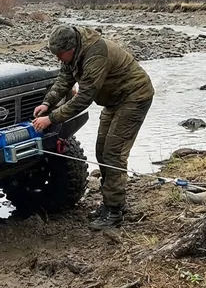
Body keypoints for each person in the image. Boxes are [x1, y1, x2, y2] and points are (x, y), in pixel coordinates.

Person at [32, 25, 154, 230]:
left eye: (61, 54)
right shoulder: (73, 52)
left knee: (113, 153)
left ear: (72, 47)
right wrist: (47, 102)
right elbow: (64, 79)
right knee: (101, 151)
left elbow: (84, 97)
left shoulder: (95, 54)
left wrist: (51, 119)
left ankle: (114, 212)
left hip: (134, 97)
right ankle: (110, 204)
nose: (58, 59)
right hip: (114, 101)